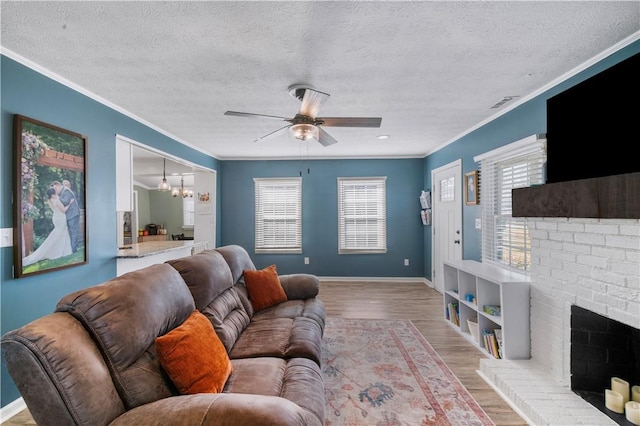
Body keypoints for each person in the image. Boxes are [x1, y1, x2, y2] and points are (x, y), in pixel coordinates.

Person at [23, 187, 74, 266]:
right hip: (61, 218)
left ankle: (61, 250)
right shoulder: (57, 201)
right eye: (55, 192)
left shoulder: (49, 201)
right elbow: (63, 210)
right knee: (61, 234)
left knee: (58, 234)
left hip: (55, 218)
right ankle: (60, 251)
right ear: (53, 193)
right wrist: (70, 203)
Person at [53, 180, 80, 252]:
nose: (55, 191)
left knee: (73, 231)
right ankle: (71, 249)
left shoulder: (66, 191)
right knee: (70, 232)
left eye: (55, 189)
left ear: (58, 186)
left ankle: (73, 250)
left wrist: (57, 198)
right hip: (69, 214)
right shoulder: (63, 191)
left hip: (73, 214)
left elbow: (65, 202)